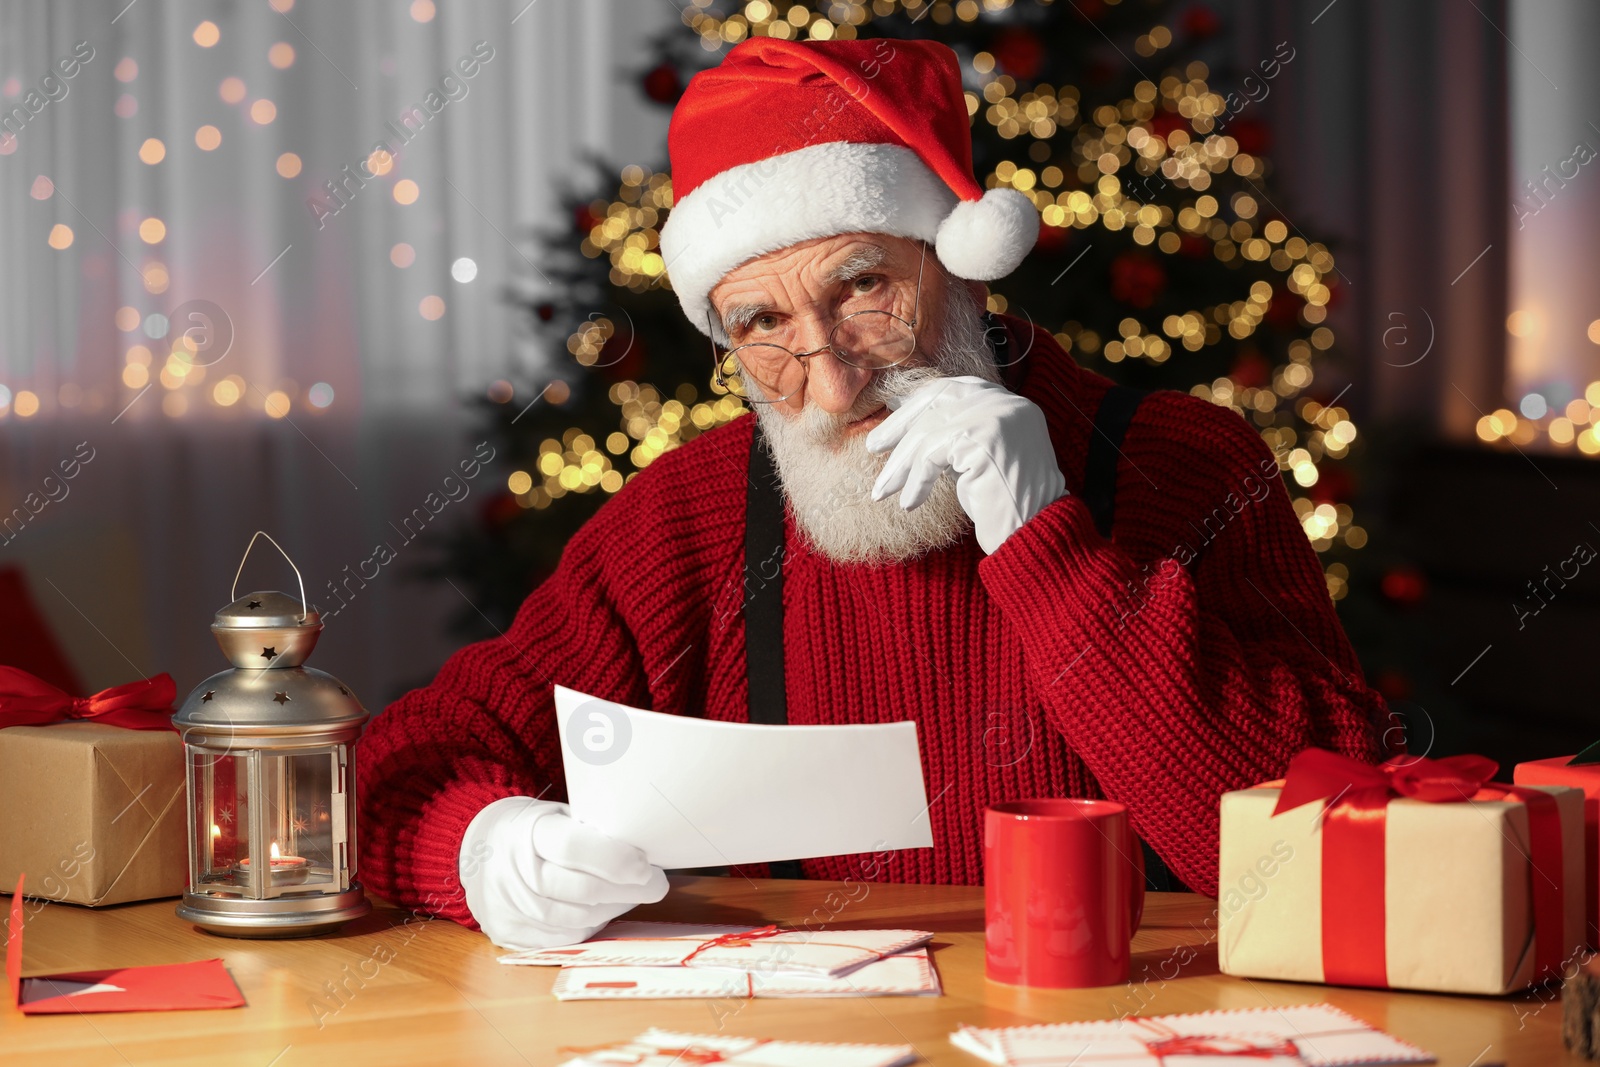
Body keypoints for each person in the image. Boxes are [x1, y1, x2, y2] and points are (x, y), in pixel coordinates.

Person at [356, 37, 1387, 950]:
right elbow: (399, 770)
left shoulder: (1190, 463)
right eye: (762, 324)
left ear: (965, 271)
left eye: (863, 288)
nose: (834, 379)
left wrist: (1052, 547)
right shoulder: (692, 516)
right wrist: (483, 845)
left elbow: (1321, 845)